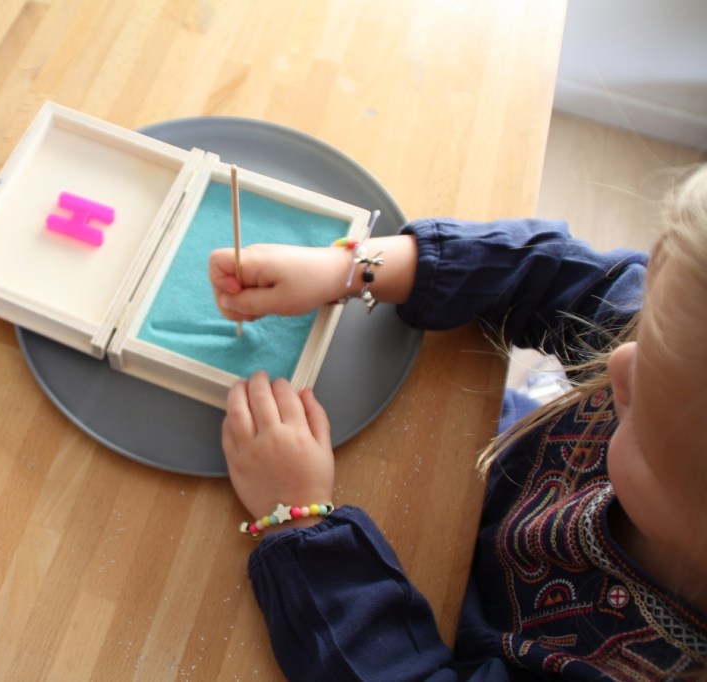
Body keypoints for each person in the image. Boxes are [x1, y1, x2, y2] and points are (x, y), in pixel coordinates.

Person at [208, 164, 707, 680]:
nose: (619, 360)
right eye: (643, 329)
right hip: (497, 459)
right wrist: (353, 267)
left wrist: (296, 518)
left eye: (639, 418)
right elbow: (545, 271)